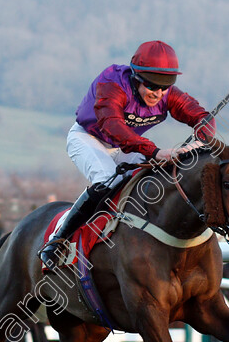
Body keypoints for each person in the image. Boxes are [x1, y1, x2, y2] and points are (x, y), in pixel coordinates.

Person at [39, 40, 216, 268]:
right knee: (107, 180)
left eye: (165, 86)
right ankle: (58, 239)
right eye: (152, 85)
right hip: (89, 138)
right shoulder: (112, 83)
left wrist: (201, 140)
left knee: (157, 176)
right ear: (136, 77)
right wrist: (155, 151)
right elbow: (113, 126)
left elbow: (203, 117)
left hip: (127, 147)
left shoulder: (167, 93)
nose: (159, 93)